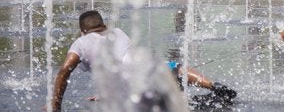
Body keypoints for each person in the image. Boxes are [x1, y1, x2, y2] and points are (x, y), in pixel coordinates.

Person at [52, 10, 234, 112]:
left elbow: (64, 70)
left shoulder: (81, 42)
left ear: (82, 30)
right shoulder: (117, 32)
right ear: (104, 26)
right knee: (177, 68)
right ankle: (212, 86)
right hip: (151, 69)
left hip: (134, 87)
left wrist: (55, 105)